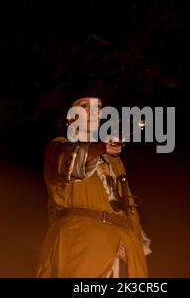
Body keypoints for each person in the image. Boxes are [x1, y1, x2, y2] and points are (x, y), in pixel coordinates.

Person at [36, 96, 151, 278]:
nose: (94, 110)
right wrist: (98, 148)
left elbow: (130, 210)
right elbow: (70, 164)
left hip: (124, 252)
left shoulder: (115, 161)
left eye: (98, 106)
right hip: (80, 248)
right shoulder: (58, 147)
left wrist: (137, 246)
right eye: (84, 106)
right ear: (70, 117)